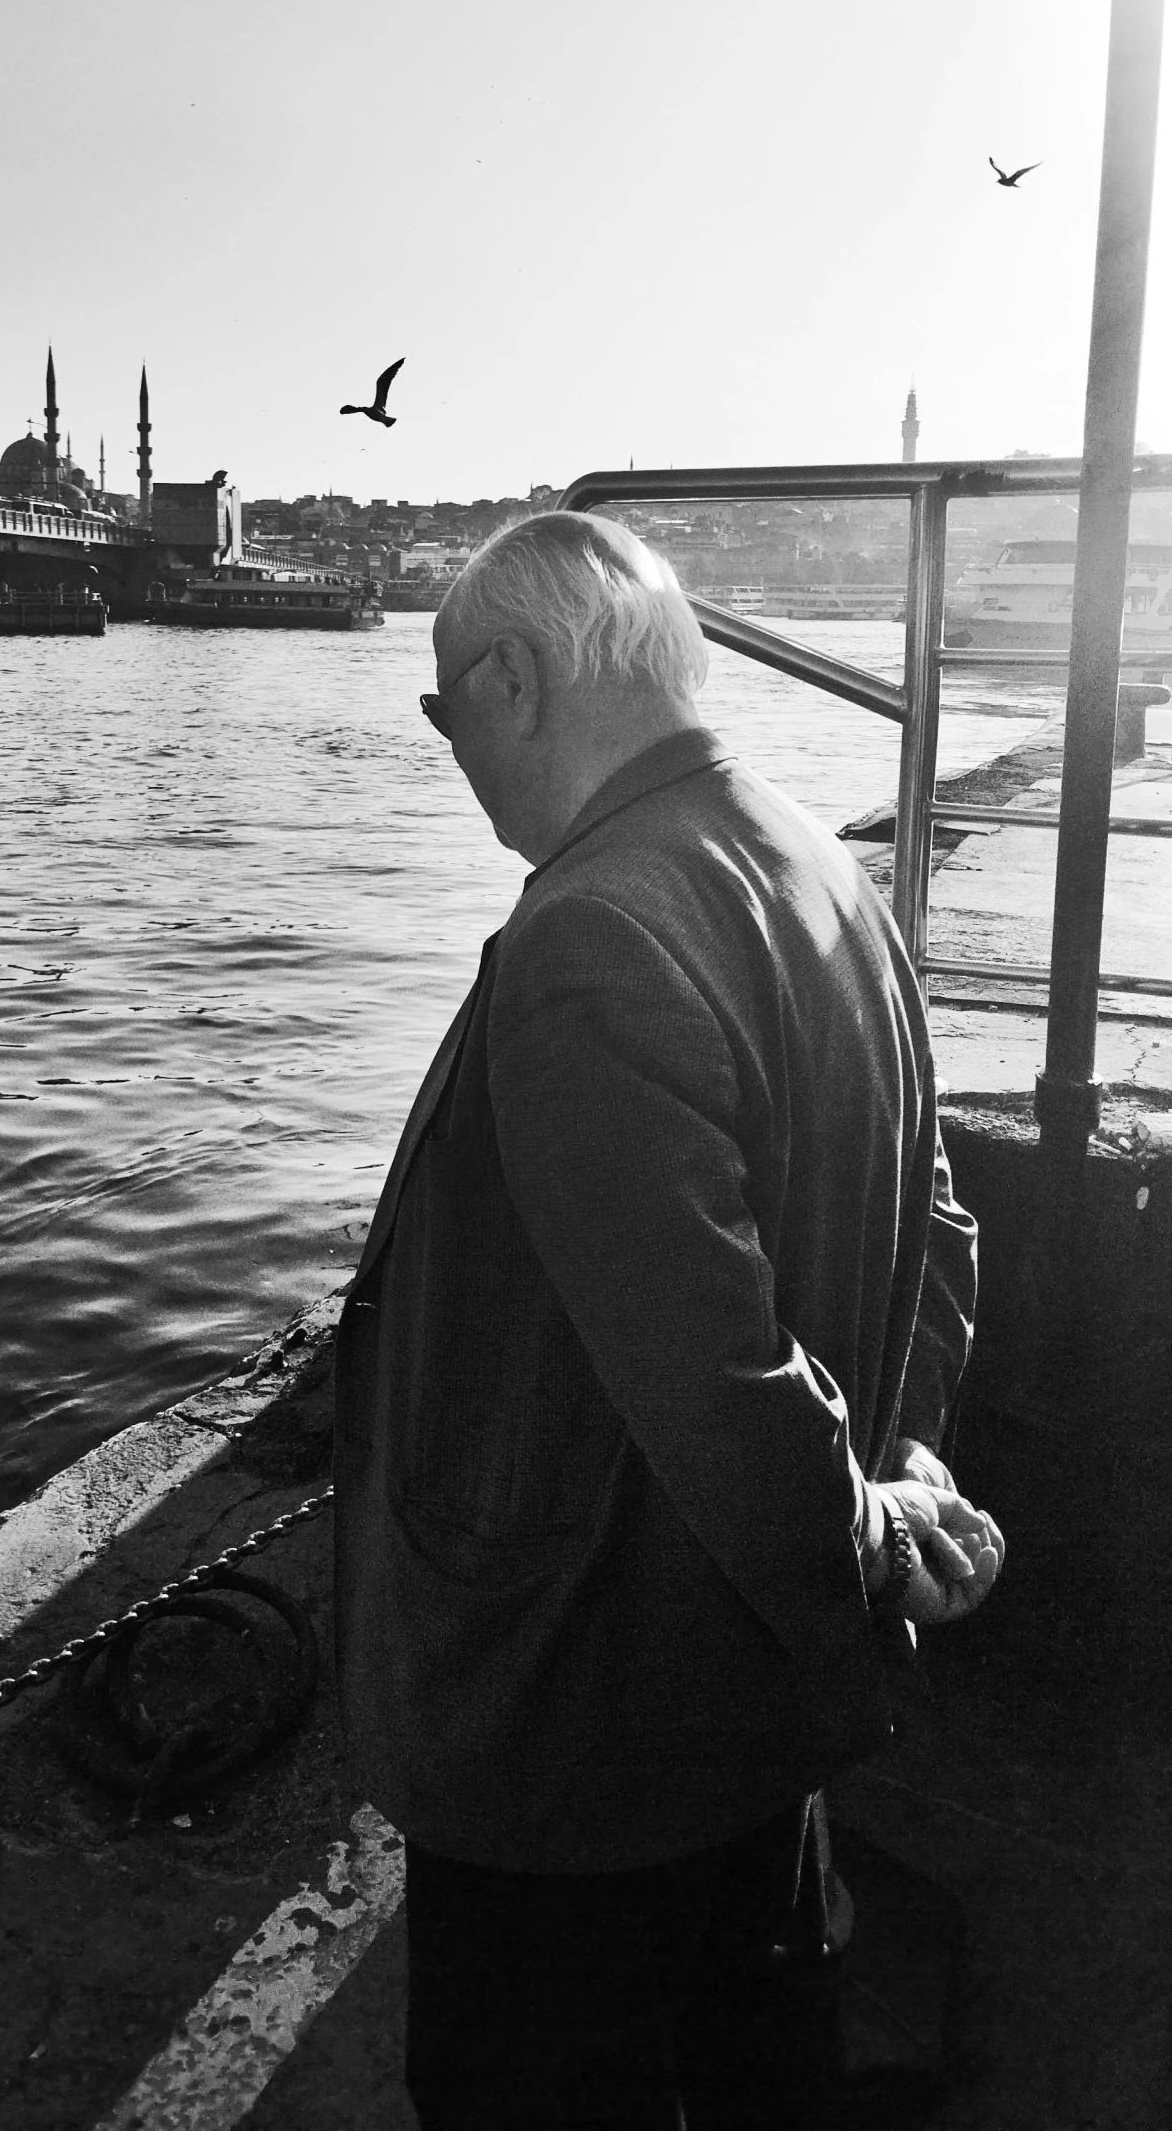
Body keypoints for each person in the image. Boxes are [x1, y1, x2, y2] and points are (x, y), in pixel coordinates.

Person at [333, 511, 1003, 2131]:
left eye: (442, 714)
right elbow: (943, 1225)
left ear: (510, 677)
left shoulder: (593, 935)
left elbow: (719, 1386)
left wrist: (857, 1534)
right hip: (743, 1732)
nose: (452, 753)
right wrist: (903, 1468)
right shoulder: (826, 871)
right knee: (758, 2052)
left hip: (579, 1735)